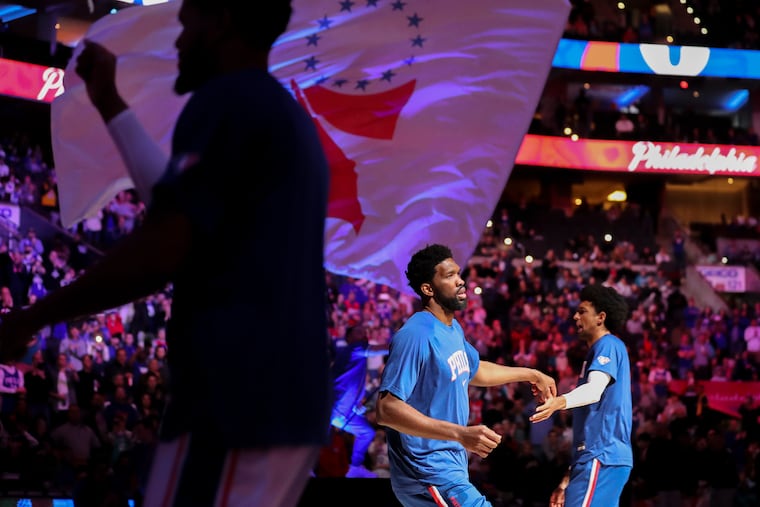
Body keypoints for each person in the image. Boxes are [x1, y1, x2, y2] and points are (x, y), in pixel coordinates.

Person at [0, 1, 332, 506]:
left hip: (235, 401)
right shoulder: (280, 113)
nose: (178, 40)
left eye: (186, 23)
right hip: (278, 404)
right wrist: (109, 100)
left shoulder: (228, 100)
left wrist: (34, 316)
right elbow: (174, 204)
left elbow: (164, 249)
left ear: (220, 21)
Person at [375, 243, 556, 507]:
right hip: (428, 471)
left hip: (448, 468)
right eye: (449, 276)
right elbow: (386, 409)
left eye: (458, 274)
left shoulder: (452, 328)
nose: (461, 281)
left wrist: (531, 373)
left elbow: (475, 369)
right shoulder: (416, 334)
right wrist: (460, 434)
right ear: (428, 289)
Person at [530, 283, 632, 507]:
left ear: (601, 317)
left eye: (582, 311)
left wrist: (559, 402)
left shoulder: (608, 344)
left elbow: (594, 391)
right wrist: (567, 480)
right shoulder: (596, 352)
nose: (575, 317)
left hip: (601, 455)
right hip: (593, 458)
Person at [330, 322, 389, 478]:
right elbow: (382, 348)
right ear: (349, 337)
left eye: (365, 332)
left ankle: (354, 467)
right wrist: (404, 344)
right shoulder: (354, 349)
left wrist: (358, 405)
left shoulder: (358, 356)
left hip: (344, 413)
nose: (364, 334)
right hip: (333, 408)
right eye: (358, 332)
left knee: (367, 432)